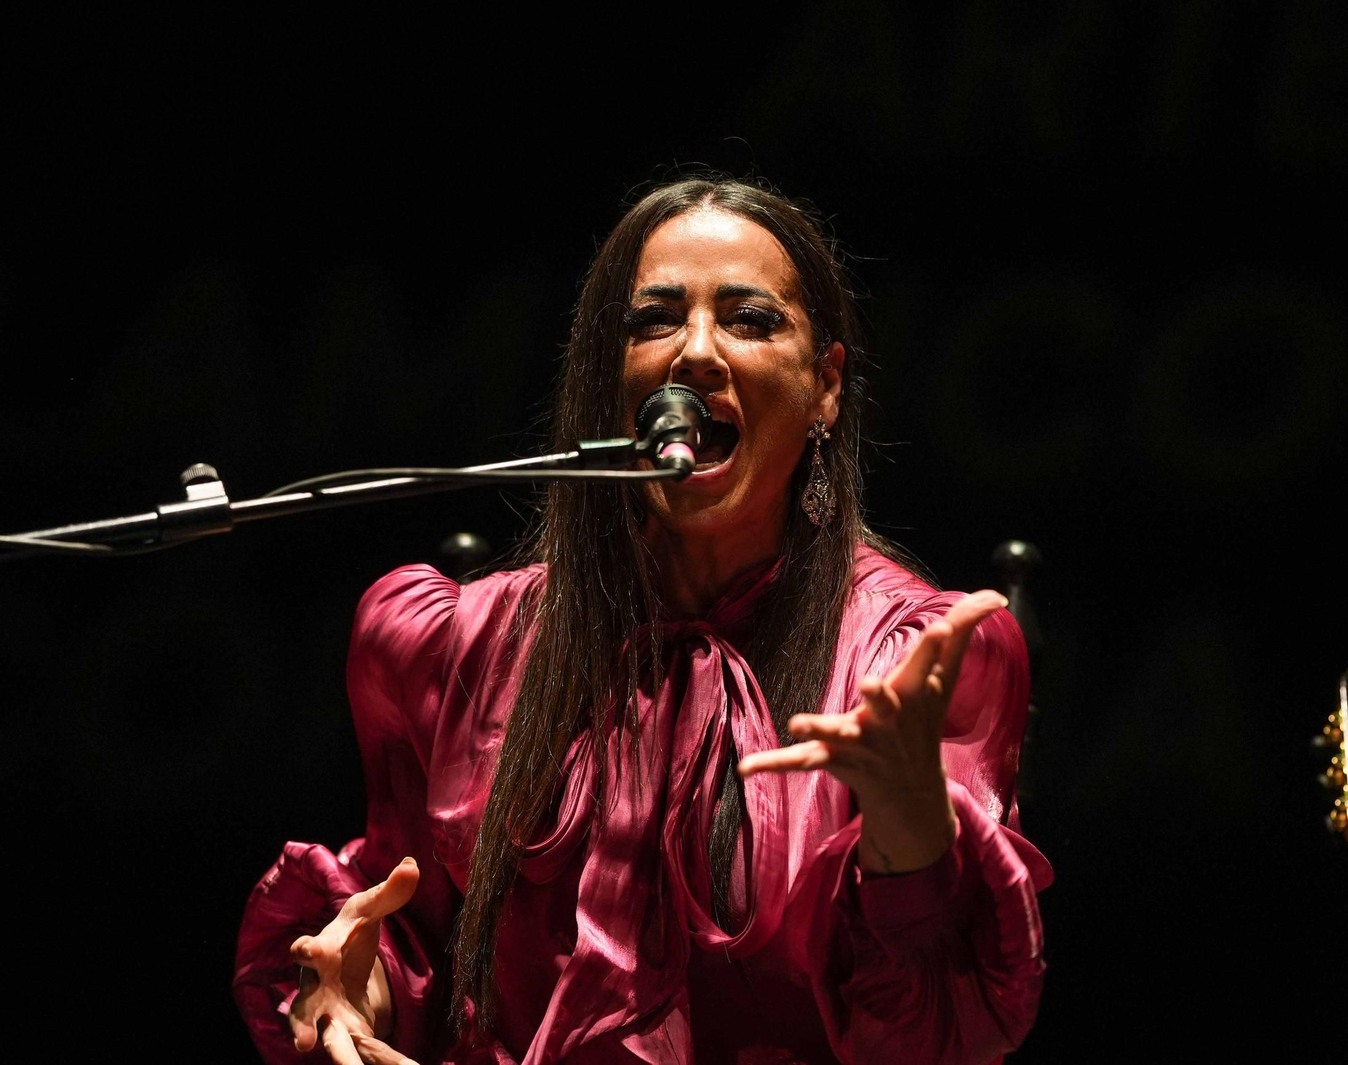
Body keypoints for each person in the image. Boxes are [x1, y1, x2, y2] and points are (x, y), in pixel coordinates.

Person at [233, 178, 1053, 1065]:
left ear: (826, 387)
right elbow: (413, 926)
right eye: (653, 321)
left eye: (749, 319)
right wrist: (365, 994)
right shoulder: (461, 645)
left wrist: (905, 820)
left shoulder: (908, 662)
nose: (694, 352)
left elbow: (931, 1036)